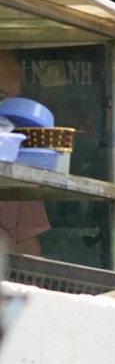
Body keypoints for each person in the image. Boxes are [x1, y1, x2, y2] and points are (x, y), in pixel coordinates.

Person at [0, 50, 49, 255]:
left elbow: (27, 243)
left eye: (15, 99)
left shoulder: (18, 161)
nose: (9, 110)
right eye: (1, 97)